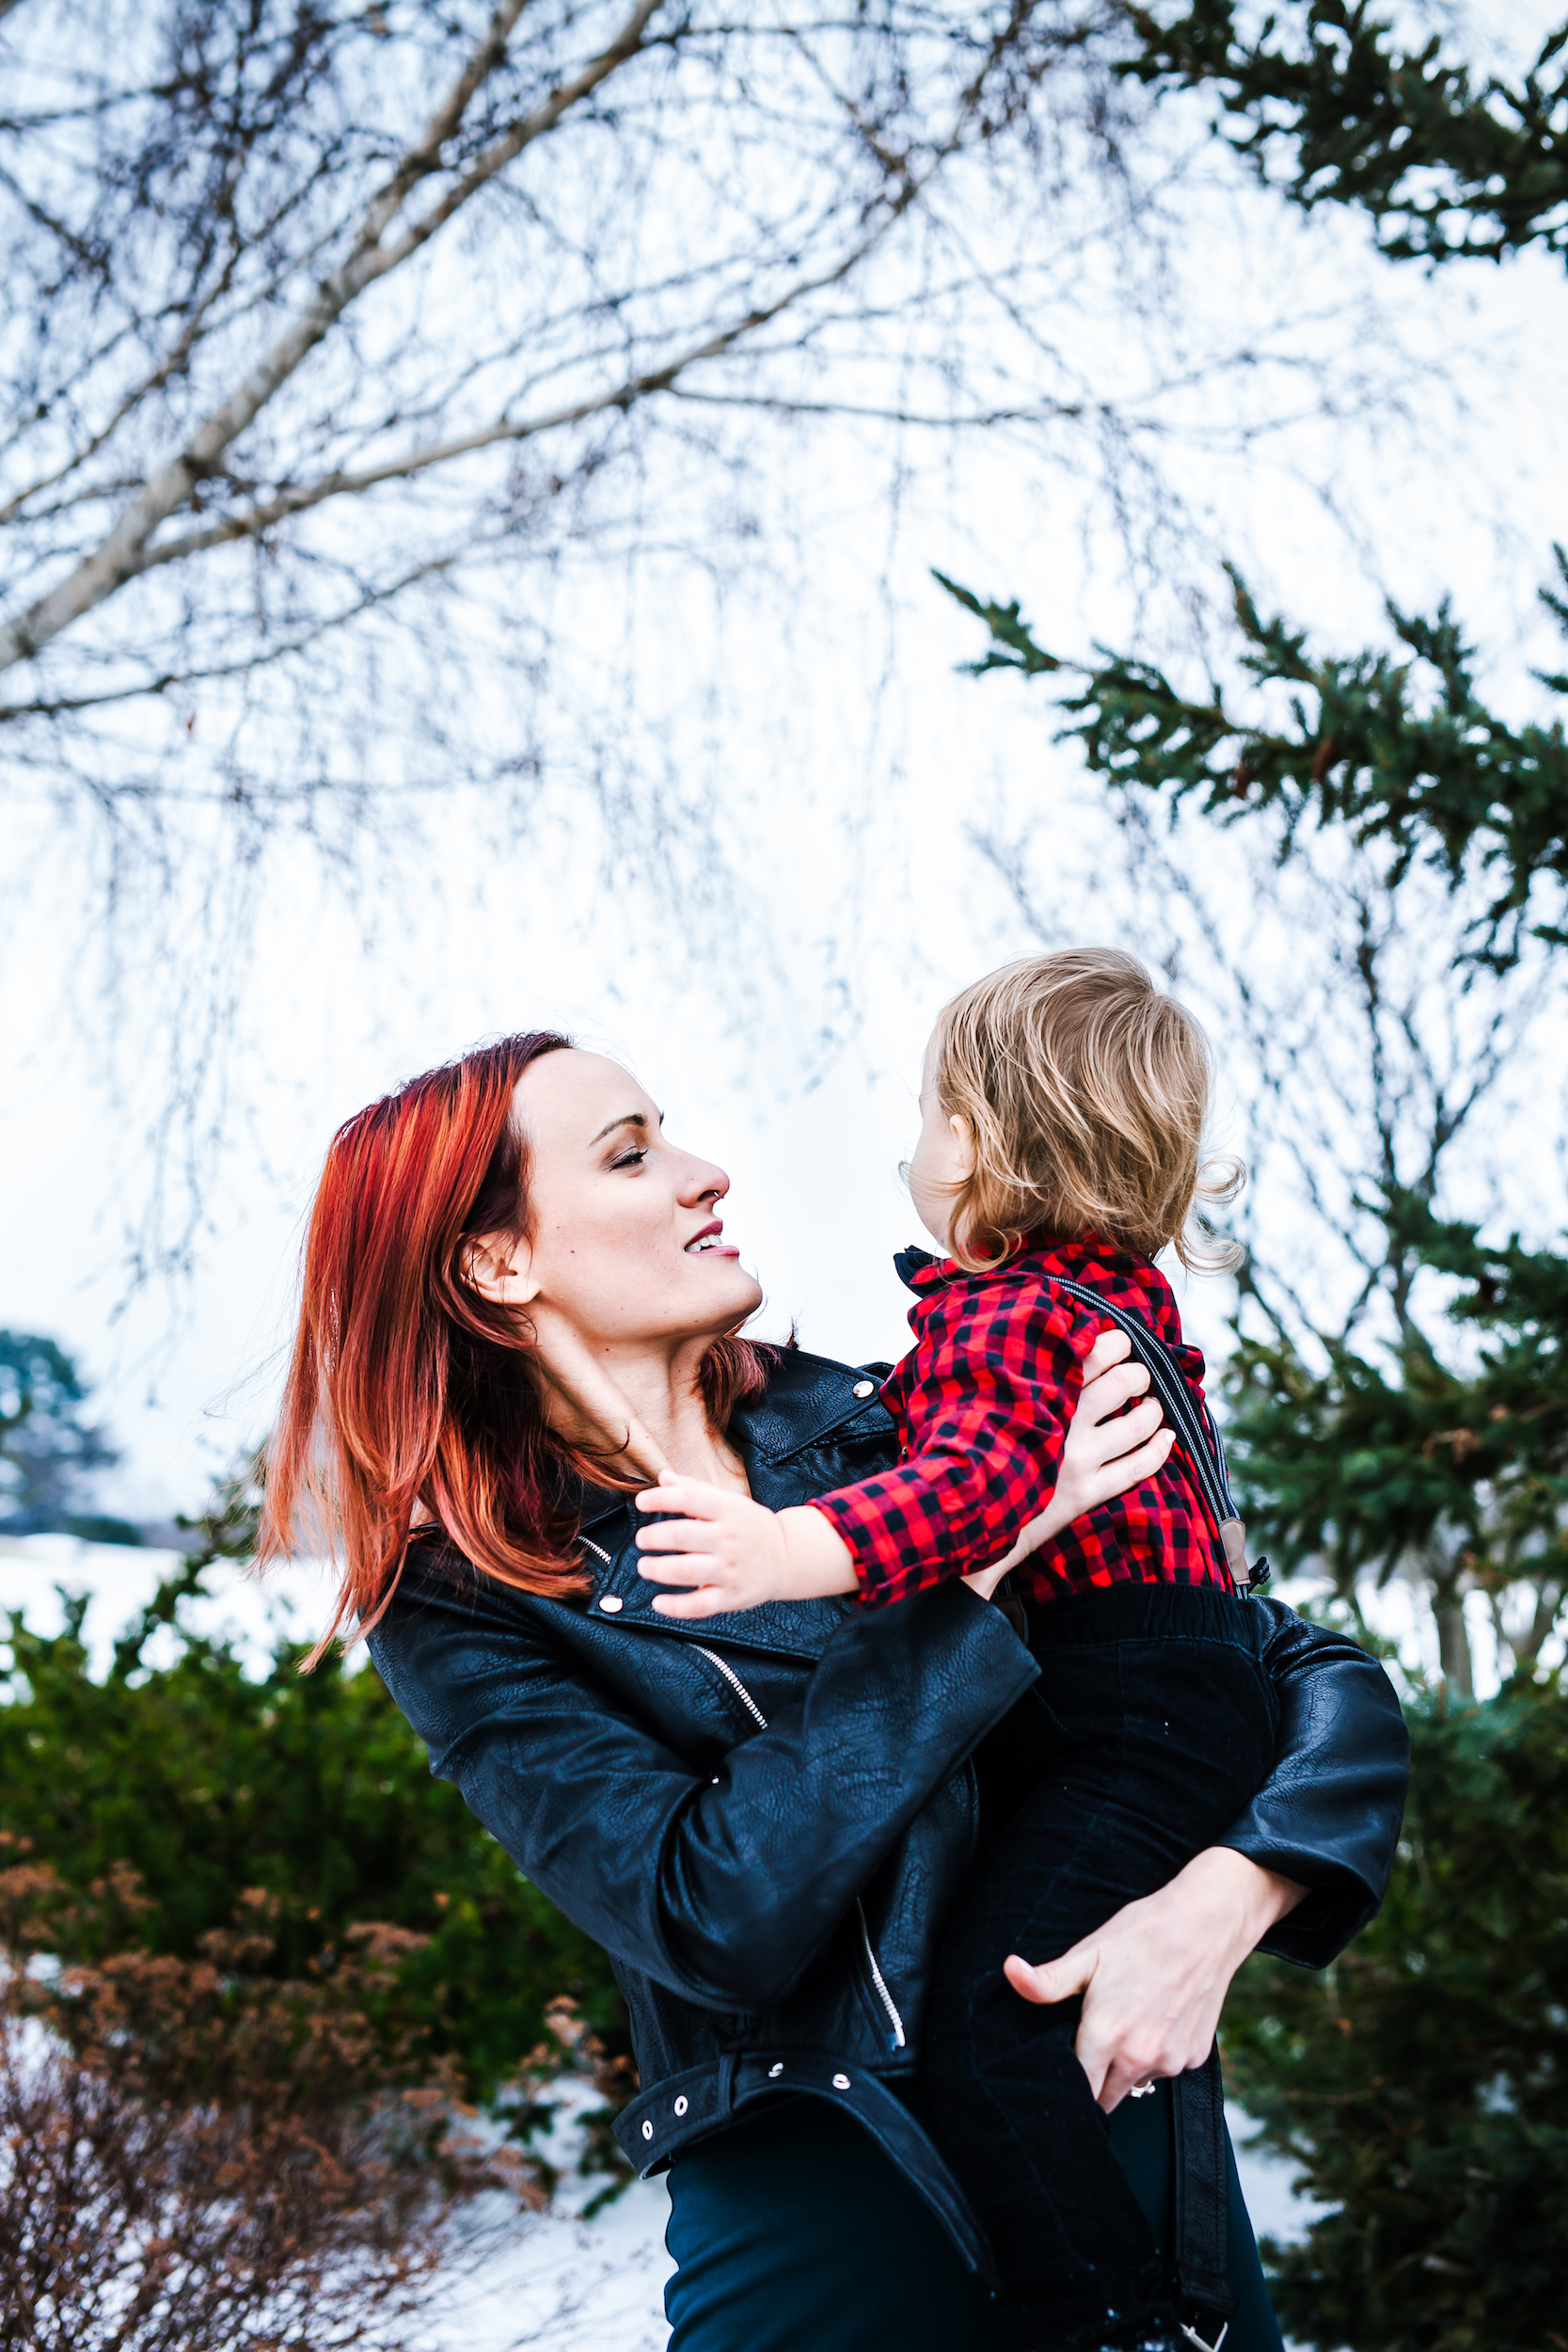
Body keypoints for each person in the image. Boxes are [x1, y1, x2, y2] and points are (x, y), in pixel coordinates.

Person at [259, 1029, 1409, 2352]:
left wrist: (1229, 1896)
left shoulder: (899, 1421)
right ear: (498, 1259)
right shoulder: (474, 1604)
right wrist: (970, 1574)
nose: (708, 1176)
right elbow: (716, 1914)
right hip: (832, 2231)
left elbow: (1290, 1665)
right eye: (633, 1155)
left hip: (1133, 2181)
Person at [632, 949, 1290, 2350]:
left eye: (934, 1113)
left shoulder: (1007, 1314)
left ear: (986, 1142)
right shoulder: (1120, 1302)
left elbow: (970, 1489)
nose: (914, 1148)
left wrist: (782, 1550)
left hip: (1128, 1706)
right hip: (1164, 1689)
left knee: (996, 2031)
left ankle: (1107, 2312)